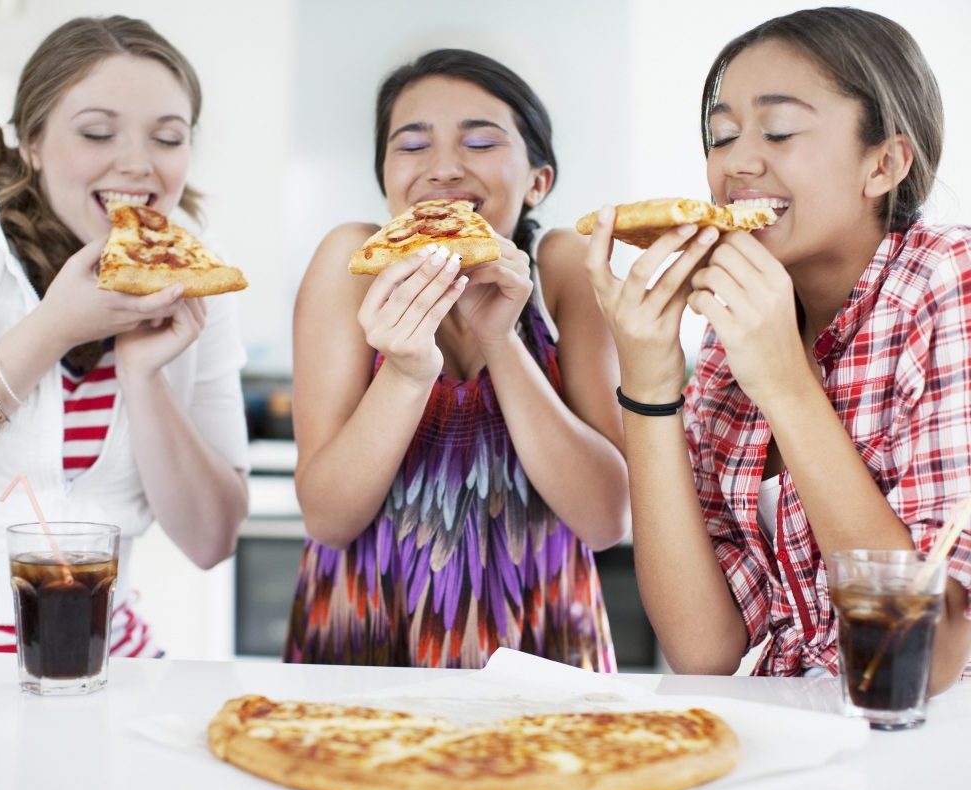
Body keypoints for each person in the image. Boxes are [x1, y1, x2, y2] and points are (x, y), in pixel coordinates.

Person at [584, 7, 971, 691]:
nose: (738, 162)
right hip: (804, 728)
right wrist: (648, 384)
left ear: (884, 163)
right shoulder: (733, 329)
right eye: (721, 134)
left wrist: (788, 385)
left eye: (779, 129)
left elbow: (922, 661)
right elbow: (703, 647)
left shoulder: (947, 282)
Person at [286, 49, 629, 671]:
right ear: (388, 181)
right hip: (365, 649)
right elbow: (328, 518)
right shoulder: (350, 264)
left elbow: (608, 519)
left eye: (479, 142)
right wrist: (408, 372)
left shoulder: (565, 267)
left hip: (542, 654)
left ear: (537, 181)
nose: (443, 168)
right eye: (412, 146)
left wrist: (501, 339)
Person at [0, 16, 250, 656]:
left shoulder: (199, 274)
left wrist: (145, 377)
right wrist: (53, 329)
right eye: (97, 133)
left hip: (110, 660)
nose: (137, 165)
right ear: (32, 142)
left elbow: (211, 542)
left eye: (167, 138)